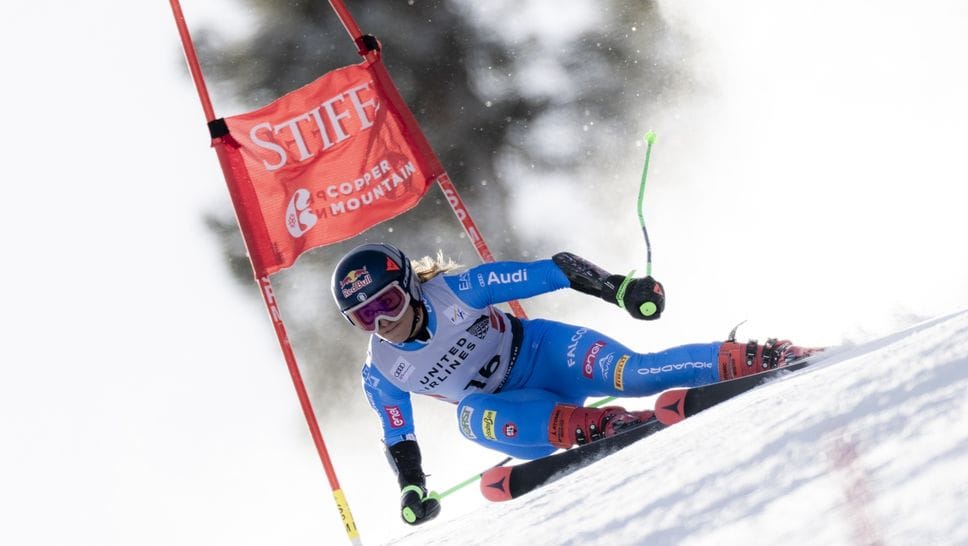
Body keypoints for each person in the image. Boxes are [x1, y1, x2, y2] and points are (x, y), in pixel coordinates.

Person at [331, 243, 815, 525]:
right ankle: (598, 425)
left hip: (546, 353)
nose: (381, 323)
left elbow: (556, 269)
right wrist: (411, 489)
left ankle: (755, 357)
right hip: (519, 417)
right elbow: (399, 435)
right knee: (469, 416)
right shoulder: (382, 370)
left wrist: (619, 288)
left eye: (387, 303)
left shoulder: (458, 290)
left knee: (638, 373)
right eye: (363, 316)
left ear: (411, 287)